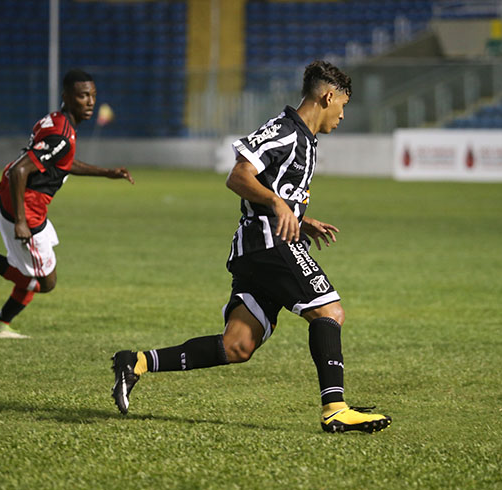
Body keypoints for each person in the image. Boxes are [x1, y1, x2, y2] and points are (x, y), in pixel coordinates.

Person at [111, 60, 391, 434]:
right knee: (329, 311)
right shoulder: (286, 131)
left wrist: (299, 218)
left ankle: (137, 362)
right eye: (343, 105)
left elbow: (275, 191)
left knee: (238, 345)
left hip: (258, 247)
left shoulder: (306, 139)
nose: (342, 115)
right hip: (267, 242)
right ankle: (335, 408)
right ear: (327, 97)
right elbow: (239, 175)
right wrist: (278, 207)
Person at [0, 69, 134, 339]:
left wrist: (106, 172)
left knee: (35, 271)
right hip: (25, 212)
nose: (90, 102)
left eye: (92, 95)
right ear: (67, 97)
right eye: (82, 96)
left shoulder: (56, 121)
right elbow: (20, 171)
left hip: (22, 205)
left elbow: (61, 162)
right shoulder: (62, 136)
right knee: (46, 283)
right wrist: (21, 221)